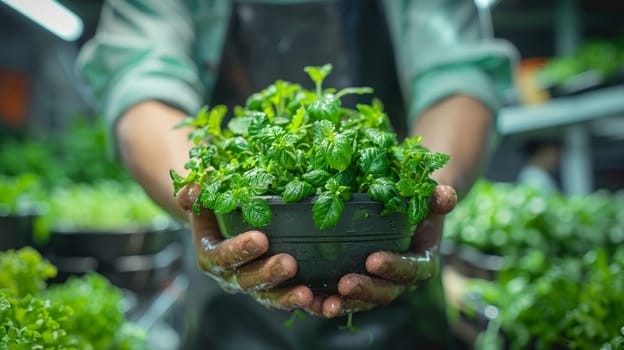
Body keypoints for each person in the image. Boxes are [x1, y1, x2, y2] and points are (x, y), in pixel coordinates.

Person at [77, 0, 517, 348]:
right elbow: (139, 77)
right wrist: (205, 194)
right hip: (231, 312)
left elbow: (459, 73)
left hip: (397, 297)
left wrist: (425, 191)